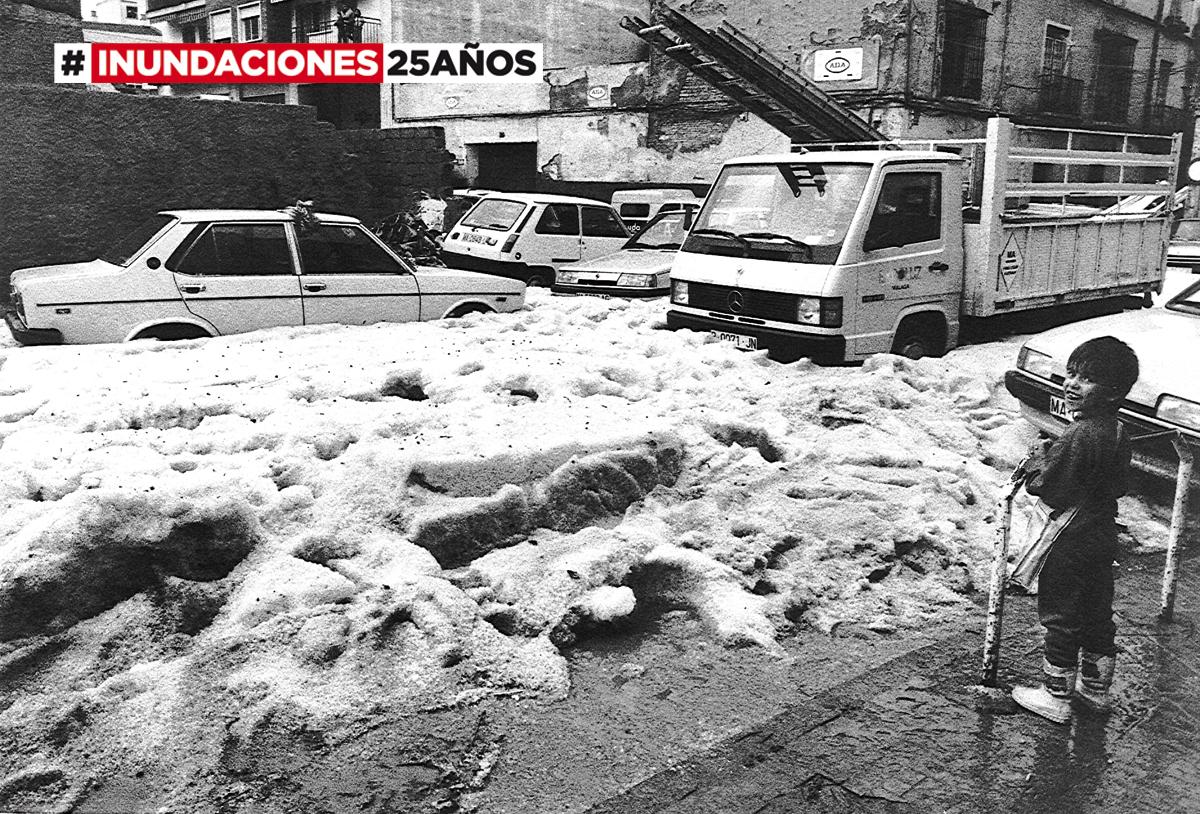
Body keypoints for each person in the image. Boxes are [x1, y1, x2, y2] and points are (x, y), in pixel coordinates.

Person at [1011, 336, 1139, 724]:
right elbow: (1117, 484)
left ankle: (1056, 696)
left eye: (1086, 379)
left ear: (1112, 390)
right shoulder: (1116, 429)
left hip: (1069, 539)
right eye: (1072, 374)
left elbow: (1049, 486)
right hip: (1101, 535)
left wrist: (1038, 462)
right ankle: (1095, 690)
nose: (1072, 384)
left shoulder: (1079, 434)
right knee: (1097, 612)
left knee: (1061, 614)